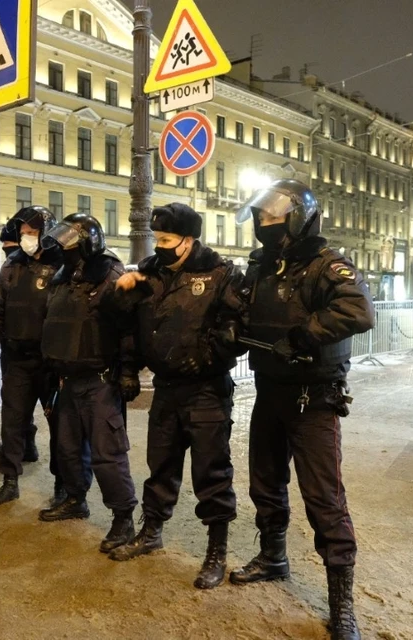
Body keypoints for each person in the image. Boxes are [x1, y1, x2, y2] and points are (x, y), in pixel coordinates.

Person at [229, 180, 373, 640]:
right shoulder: (262, 266)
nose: (266, 226)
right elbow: (244, 309)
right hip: (271, 391)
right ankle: (273, 557)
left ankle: (342, 604)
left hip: (315, 398)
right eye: (262, 219)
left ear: (299, 219)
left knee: (324, 500)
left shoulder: (327, 265)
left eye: (274, 218)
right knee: (265, 484)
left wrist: (302, 335)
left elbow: (357, 312)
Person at [105, 203, 247, 590]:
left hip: (206, 391)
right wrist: (122, 295)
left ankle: (216, 551)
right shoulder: (149, 273)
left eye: (167, 240)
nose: (160, 246)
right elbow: (129, 327)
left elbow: (235, 330)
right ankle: (151, 532)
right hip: (167, 390)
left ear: (189, 240)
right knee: (160, 466)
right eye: (157, 239)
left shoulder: (220, 273)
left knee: (211, 473)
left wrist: (205, 357)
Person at [38, 213, 139, 555]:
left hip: (100, 381)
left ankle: (123, 518)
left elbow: (128, 329)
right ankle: (75, 499)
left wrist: (127, 371)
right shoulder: (63, 278)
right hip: (68, 379)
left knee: (107, 455)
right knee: (66, 448)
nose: (65, 250)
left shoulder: (111, 274)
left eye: (71, 243)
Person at [0, 206, 69, 510]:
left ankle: (63, 486)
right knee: (12, 422)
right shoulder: (12, 265)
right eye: (23, 232)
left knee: (61, 428)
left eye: (32, 232)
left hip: (51, 363)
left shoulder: (63, 264)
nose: (26, 237)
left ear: (46, 232)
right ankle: (9, 482)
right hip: (16, 359)